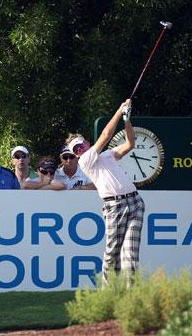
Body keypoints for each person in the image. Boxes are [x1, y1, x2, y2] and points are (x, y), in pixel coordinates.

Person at [68, 99, 145, 286]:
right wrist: (119, 110)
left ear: (86, 143)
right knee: (112, 252)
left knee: (130, 254)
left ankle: (131, 294)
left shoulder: (107, 155)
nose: (80, 151)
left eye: (80, 146)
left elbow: (130, 144)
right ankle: (108, 293)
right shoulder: (85, 161)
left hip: (135, 202)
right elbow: (106, 133)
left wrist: (127, 119)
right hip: (114, 206)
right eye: (76, 150)